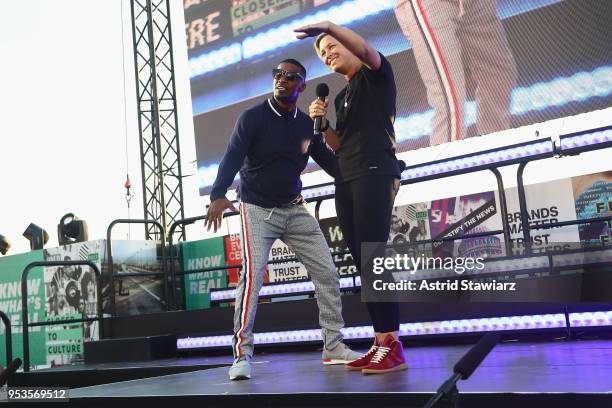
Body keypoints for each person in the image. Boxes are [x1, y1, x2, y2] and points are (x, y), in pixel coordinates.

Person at [205, 58, 361, 381]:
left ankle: (333, 345)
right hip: (256, 209)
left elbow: (333, 166)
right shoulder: (253, 118)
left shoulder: (307, 125)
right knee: (253, 277)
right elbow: (233, 154)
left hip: (293, 208)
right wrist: (218, 193)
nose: (282, 79)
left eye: (291, 77)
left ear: (302, 86)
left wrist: (367, 174)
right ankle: (242, 354)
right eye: (278, 74)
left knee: (327, 271)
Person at [295, 21, 407, 374]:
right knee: (362, 261)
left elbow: (365, 50)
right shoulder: (341, 96)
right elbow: (340, 146)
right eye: (321, 52)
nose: (327, 52)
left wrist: (327, 27)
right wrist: (324, 127)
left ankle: (392, 345)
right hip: (347, 178)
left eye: (331, 45)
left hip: (376, 172)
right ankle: (380, 341)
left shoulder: (376, 74)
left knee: (373, 256)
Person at [394, 0, 517, 145]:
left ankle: (496, 155)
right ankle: (449, 166)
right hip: (431, 5)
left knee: (498, 75)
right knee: (450, 102)